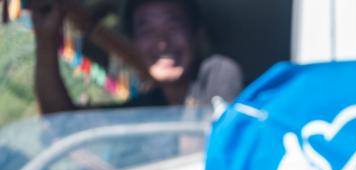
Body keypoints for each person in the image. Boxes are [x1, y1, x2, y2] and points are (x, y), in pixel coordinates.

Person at [30, 0, 241, 115]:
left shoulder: (218, 72)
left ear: (197, 34)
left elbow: (208, 146)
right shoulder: (146, 108)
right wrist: (46, 38)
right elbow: (63, 119)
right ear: (135, 44)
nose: (162, 42)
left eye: (173, 25)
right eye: (146, 30)